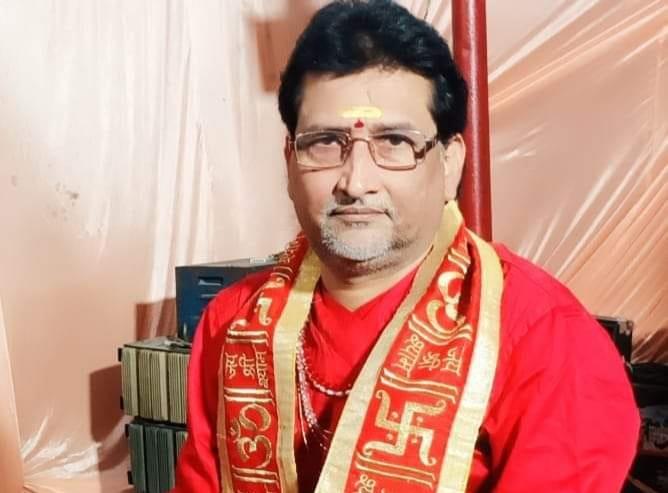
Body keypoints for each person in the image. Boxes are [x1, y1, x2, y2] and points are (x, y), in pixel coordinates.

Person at [172, 1, 639, 491]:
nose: (356, 181)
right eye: (325, 142)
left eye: (394, 142)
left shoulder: (544, 339)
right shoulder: (235, 323)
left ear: (451, 164)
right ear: (290, 161)